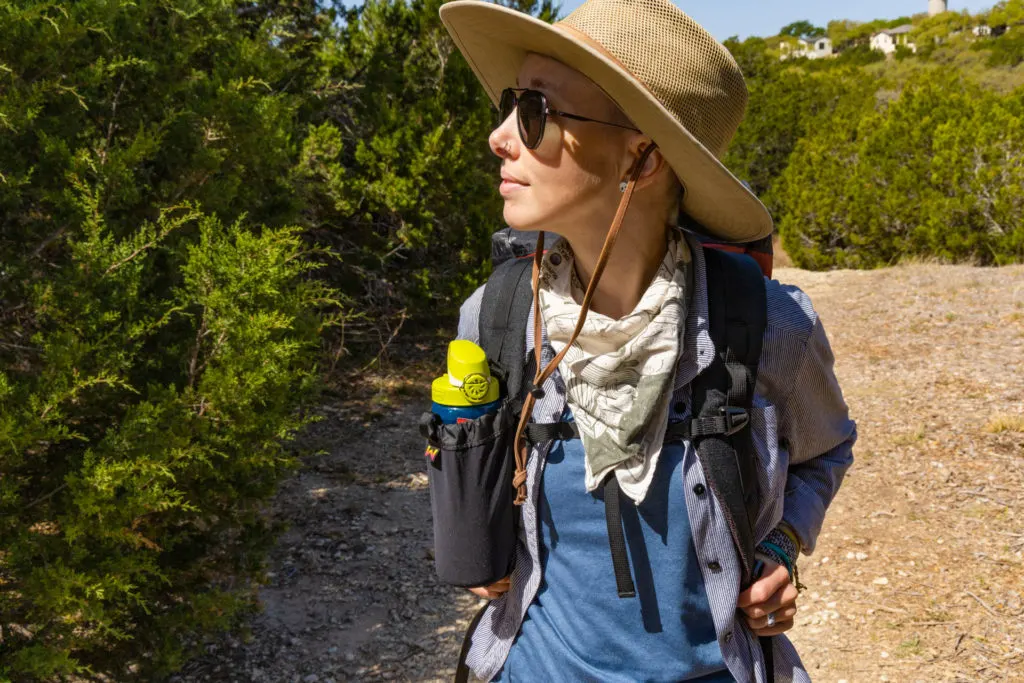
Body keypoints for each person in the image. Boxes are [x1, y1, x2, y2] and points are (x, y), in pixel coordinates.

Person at [439, 0, 857, 680]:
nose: (500, 135)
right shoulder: (495, 317)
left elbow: (828, 445)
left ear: (641, 155)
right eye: (511, 104)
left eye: (536, 111)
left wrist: (781, 545)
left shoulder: (765, 324)